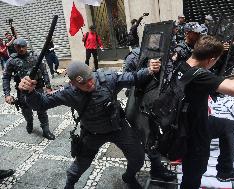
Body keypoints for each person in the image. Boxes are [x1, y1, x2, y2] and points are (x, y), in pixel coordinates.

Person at [17, 60, 161, 189]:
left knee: (138, 157)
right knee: (79, 166)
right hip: (92, 133)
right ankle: (69, 184)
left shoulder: (107, 78)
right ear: (73, 83)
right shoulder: (68, 92)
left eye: (91, 79)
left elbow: (133, 77)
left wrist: (149, 70)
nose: (90, 84)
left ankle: (128, 177)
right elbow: (41, 104)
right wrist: (29, 92)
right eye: (84, 84)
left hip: (118, 127)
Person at [179, 35, 234, 189]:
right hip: (192, 131)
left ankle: (225, 170)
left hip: (190, 119)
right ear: (211, 60)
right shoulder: (200, 75)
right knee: (193, 174)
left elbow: (205, 85)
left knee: (228, 126)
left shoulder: (181, 65)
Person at [123, 48, 177, 182]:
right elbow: (127, 79)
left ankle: (154, 165)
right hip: (138, 104)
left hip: (154, 103)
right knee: (148, 138)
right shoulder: (134, 57)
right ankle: (142, 171)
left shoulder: (167, 53)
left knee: (152, 136)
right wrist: (146, 72)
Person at [2, 38, 55, 140]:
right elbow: (6, 77)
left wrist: (48, 87)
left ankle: (45, 130)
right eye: (18, 47)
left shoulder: (35, 57)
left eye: (23, 46)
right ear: (14, 47)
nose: (21, 49)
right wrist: (7, 94)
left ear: (26, 46)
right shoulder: (11, 61)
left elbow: (44, 71)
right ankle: (29, 122)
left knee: (42, 109)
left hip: (38, 88)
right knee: (26, 111)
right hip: (23, 91)